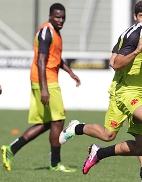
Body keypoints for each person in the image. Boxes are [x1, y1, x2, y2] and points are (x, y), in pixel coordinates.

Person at [59, 1, 142, 181]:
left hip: (140, 92)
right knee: (108, 135)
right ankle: (77, 127)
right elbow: (115, 62)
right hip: (122, 92)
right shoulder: (131, 35)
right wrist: (136, 51)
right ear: (136, 17)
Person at [1, 3, 80, 172]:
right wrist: (44, 88)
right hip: (46, 80)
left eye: (63, 17)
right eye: (57, 17)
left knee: (47, 123)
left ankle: (11, 149)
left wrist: (70, 72)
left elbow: (55, 58)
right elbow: (41, 60)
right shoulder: (46, 31)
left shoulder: (55, 32)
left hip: (46, 79)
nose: (61, 20)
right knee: (59, 119)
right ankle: (55, 163)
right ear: (50, 16)